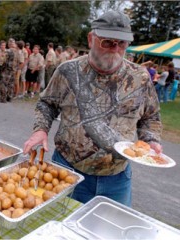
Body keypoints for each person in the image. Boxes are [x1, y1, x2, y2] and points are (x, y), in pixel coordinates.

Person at [23, 10, 162, 207]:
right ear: (91, 39)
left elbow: (151, 117)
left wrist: (150, 140)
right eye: (107, 42)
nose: (114, 49)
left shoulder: (140, 78)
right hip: (66, 171)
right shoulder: (68, 71)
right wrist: (40, 129)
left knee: (111, 234)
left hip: (117, 178)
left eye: (121, 43)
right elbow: (47, 103)